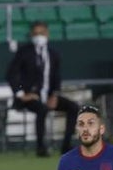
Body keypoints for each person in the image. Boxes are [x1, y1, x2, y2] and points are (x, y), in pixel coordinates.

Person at [5, 21, 79, 158]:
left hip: (49, 95)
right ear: (31, 35)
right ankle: (41, 148)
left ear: (47, 34)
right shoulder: (23, 53)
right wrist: (22, 93)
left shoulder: (53, 54)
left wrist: (55, 94)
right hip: (29, 97)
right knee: (42, 109)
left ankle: (66, 145)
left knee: (74, 107)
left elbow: (56, 76)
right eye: (36, 33)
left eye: (42, 33)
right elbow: (12, 75)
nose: (39, 36)